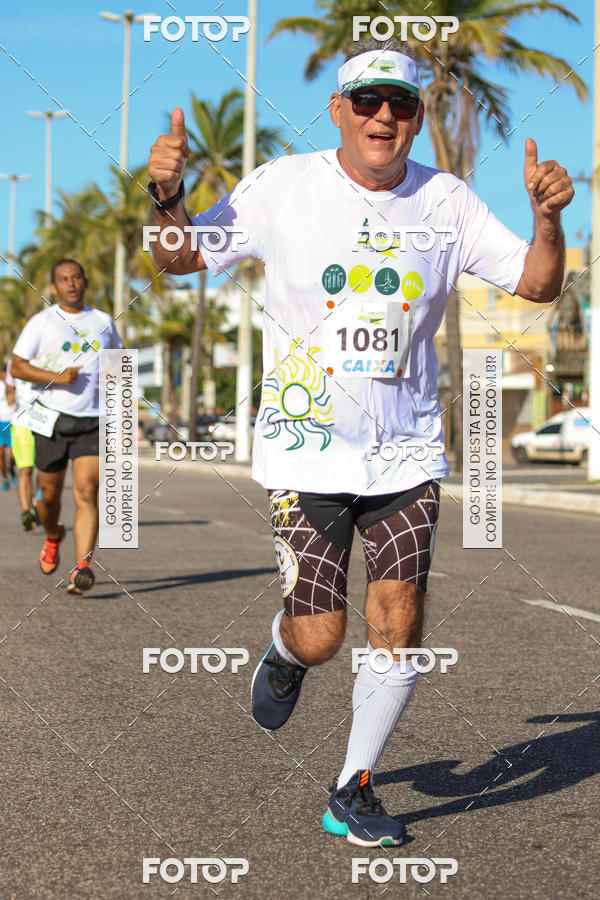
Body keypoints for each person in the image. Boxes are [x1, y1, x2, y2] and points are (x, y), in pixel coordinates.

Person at [147, 39, 573, 847]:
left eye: (402, 104)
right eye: (369, 102)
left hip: (407, 451)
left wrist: (550, 220)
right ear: (339, 111)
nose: (384, 116)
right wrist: (165, 197)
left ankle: (354, 786)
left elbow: (538, 283)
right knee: (321, 634)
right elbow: (176, 259)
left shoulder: (446, 200)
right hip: (306, 448)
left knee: (400, 611)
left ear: (417, 117)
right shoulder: (283, 187)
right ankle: (282, 651)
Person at [11, 259, 123, 594]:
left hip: (91, 420)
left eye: (76, 277)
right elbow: (17, 367)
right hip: (51, 420)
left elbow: (117, 366)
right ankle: (52, 534)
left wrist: (121, 418)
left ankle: (82, 568)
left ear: (85, 281)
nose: (71, 284)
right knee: (50, 499)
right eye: (63, 279)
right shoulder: (42, 322)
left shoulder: (103, 321)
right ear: (54, 287)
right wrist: (55, 378)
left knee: (88, 492)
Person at [5, 359, 40, 530]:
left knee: (46, 471)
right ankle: (26, 511)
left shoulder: (49, 358)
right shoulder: (15, 363)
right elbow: (9, 390)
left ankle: (37, 501)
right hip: (21, 424)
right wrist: (10, 395)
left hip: (45, 424)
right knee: (25, 469)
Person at [0, 367, 16, 490]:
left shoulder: (14, 386)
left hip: (12, 423)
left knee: (11, 456)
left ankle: (11, 469)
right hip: (0, 423)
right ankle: (5, 479)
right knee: (0, 455)